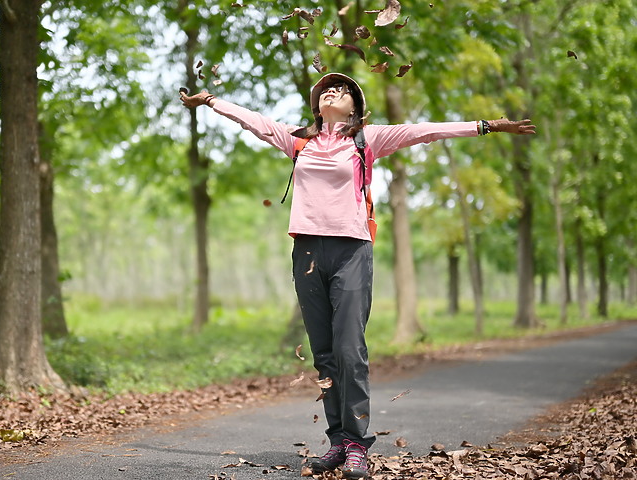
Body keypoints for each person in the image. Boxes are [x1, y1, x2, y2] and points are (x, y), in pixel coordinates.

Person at [180, 73, 535, 479]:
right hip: (308, 252)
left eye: (344, 89)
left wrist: (485, 126)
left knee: (350, 350)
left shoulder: (367, 140)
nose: (334, 91)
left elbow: (425, 131)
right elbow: (253, 120)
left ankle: (357, 445)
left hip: (352, 252)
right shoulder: (297, 140)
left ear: (355, 107)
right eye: (327, 89)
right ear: (316, 105)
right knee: (325, 353)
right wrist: (211, 102)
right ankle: (337, 442)